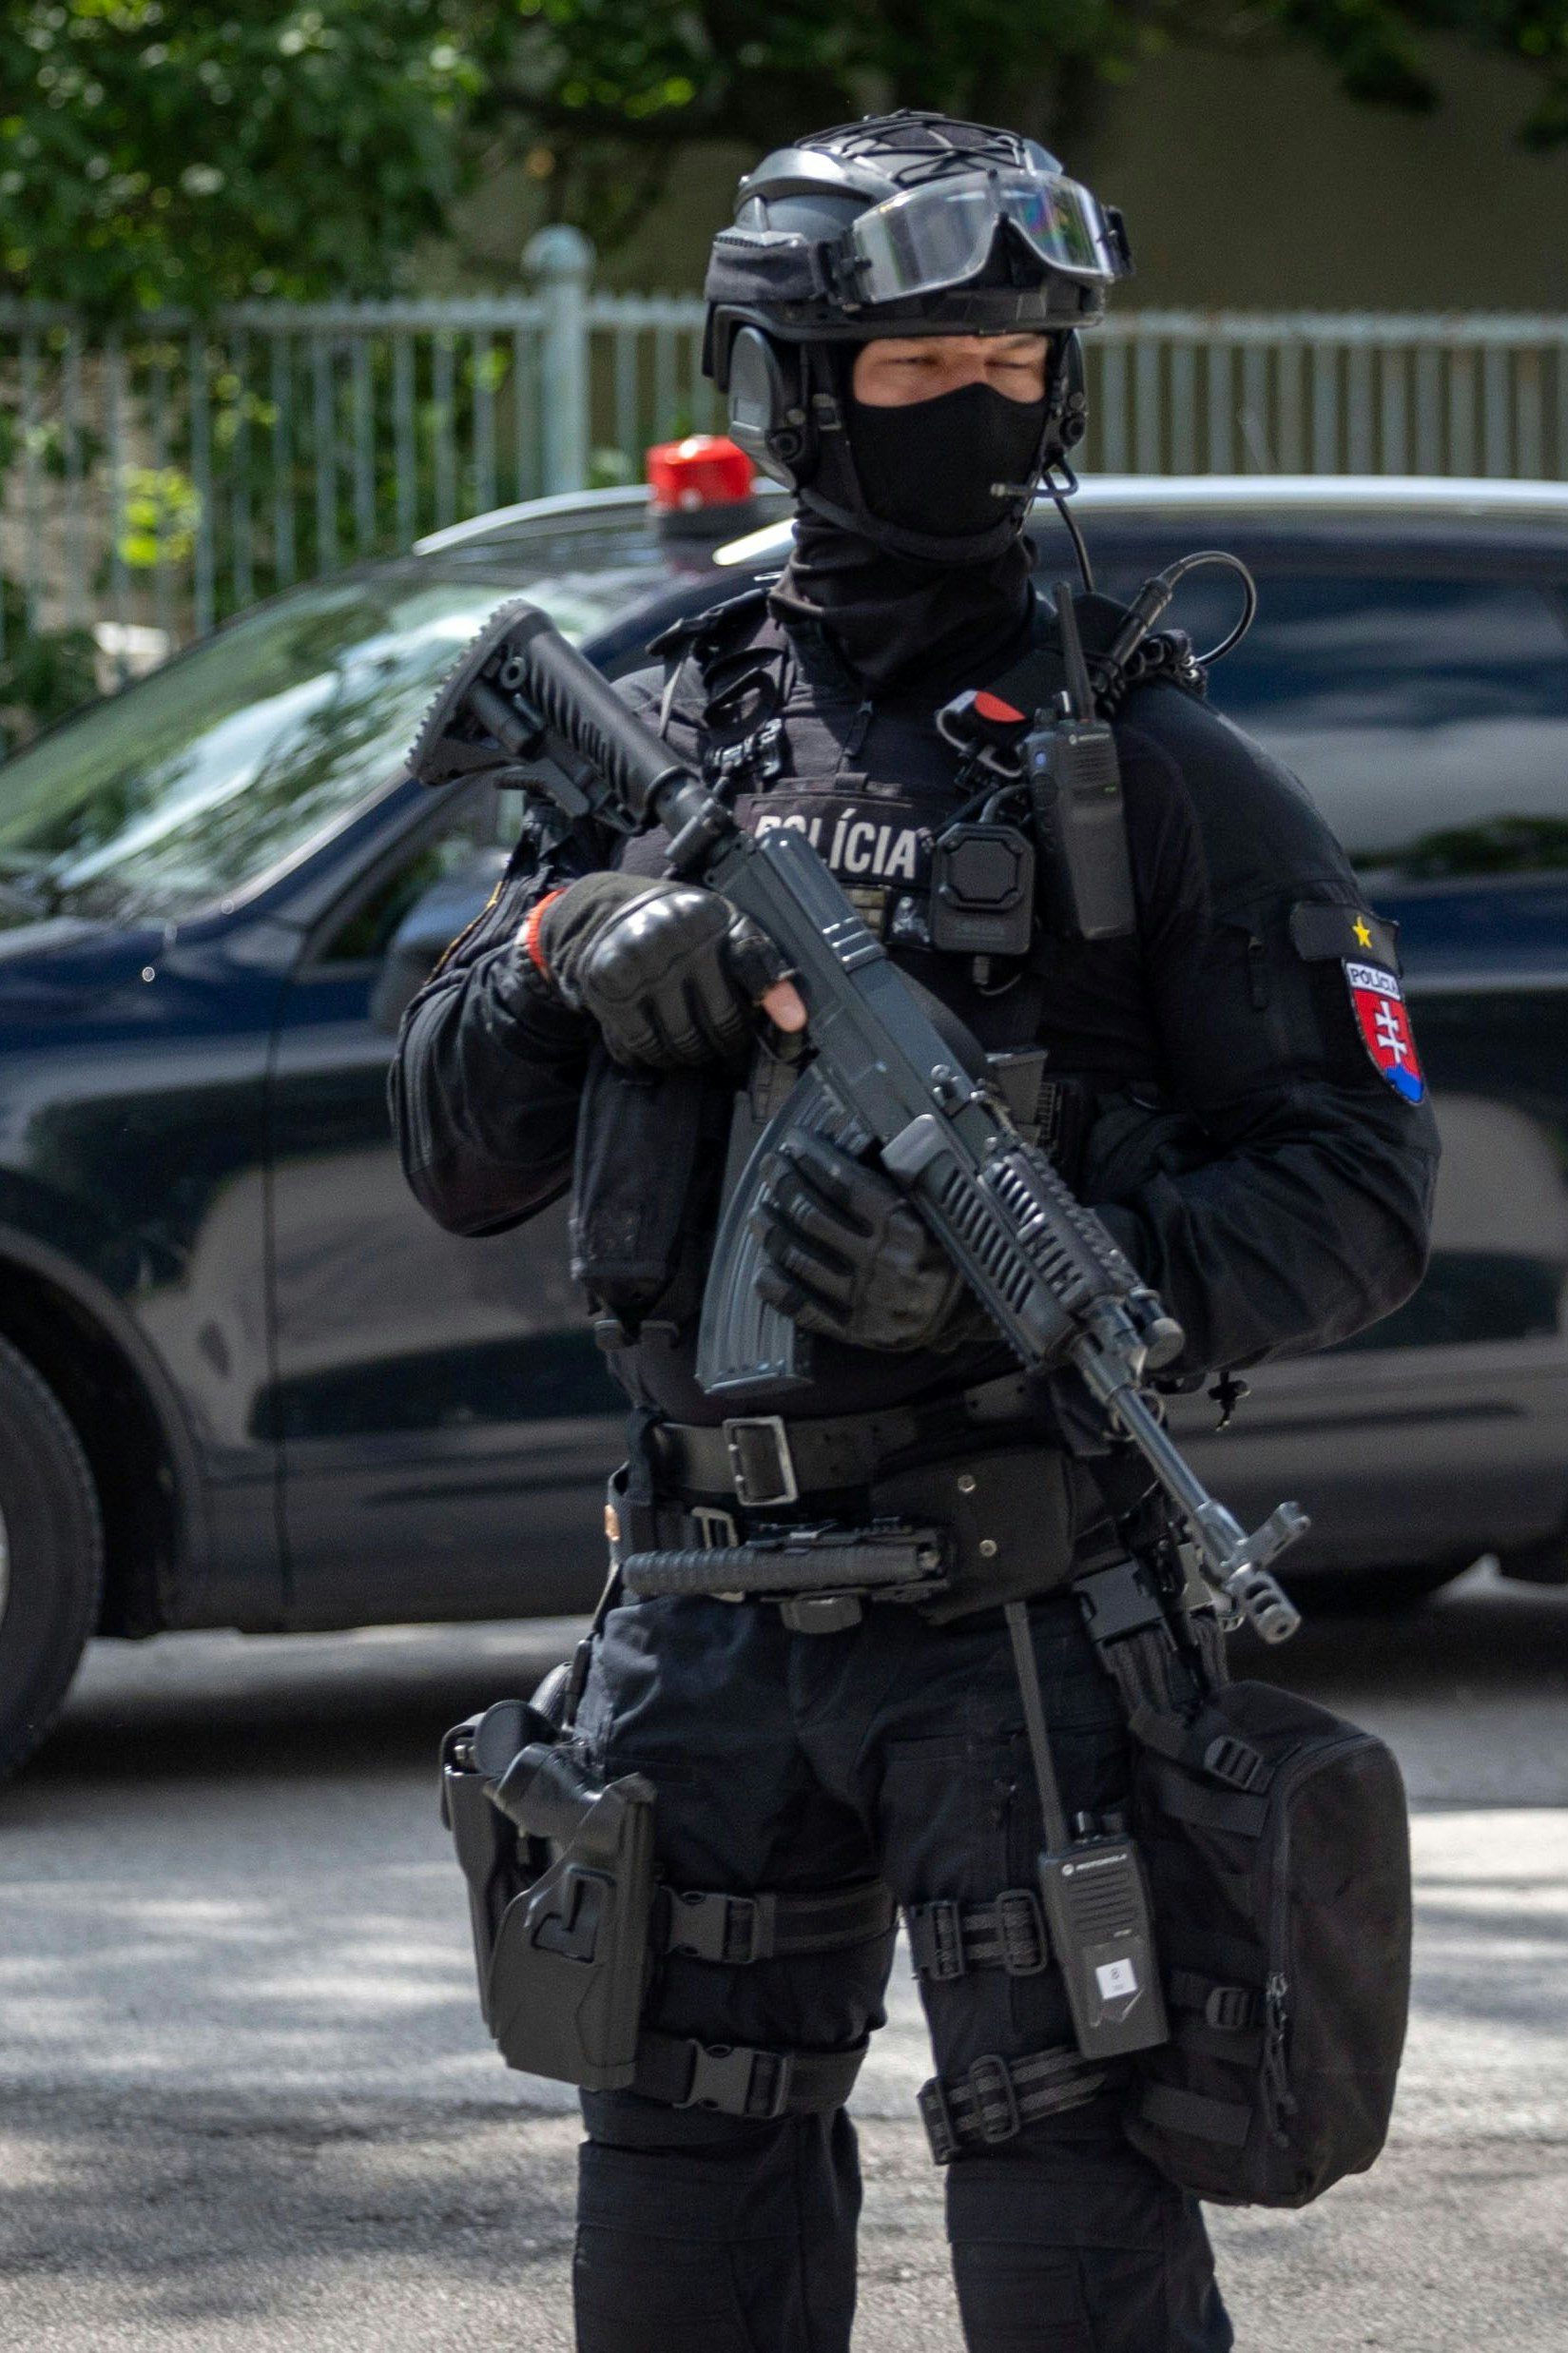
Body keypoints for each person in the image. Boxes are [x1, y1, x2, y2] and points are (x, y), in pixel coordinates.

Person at [393, 110, 1438, 2353]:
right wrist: (569, 950)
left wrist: (1067, 1258)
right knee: (682, 2196)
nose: (980, 406)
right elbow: (453, 1144)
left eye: (1012, 362)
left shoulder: (1152, 770)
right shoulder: (663, 721)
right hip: (694, 1606)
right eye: (917, 364)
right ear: (793, 385)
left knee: (1068, 2212)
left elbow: (1359, 1191)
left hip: (1017, 1625)